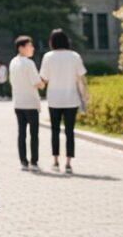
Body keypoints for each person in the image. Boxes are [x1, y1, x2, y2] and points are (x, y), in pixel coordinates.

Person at [39, 28, 88, 174]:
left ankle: (55, 161)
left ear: (52, 42)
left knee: (55, 130)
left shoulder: (48, 57)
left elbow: (44, 78)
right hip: (71, 99)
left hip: (54, 99)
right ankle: (68, 163)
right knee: (69, 131)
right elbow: (81, 79)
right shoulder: (74, 56)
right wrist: (85, 96)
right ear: (67, 41)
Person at [9, 36, 44, 172]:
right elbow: (37, 83)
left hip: (18, 103)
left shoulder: (13, 62)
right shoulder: (29, 63)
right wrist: (43, 84)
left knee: (21, 133)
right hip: (30, 103)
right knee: (34, 134)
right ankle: (34, 162)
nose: (32, 48)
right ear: (21, 48)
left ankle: (23, 162)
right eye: (30, 46)